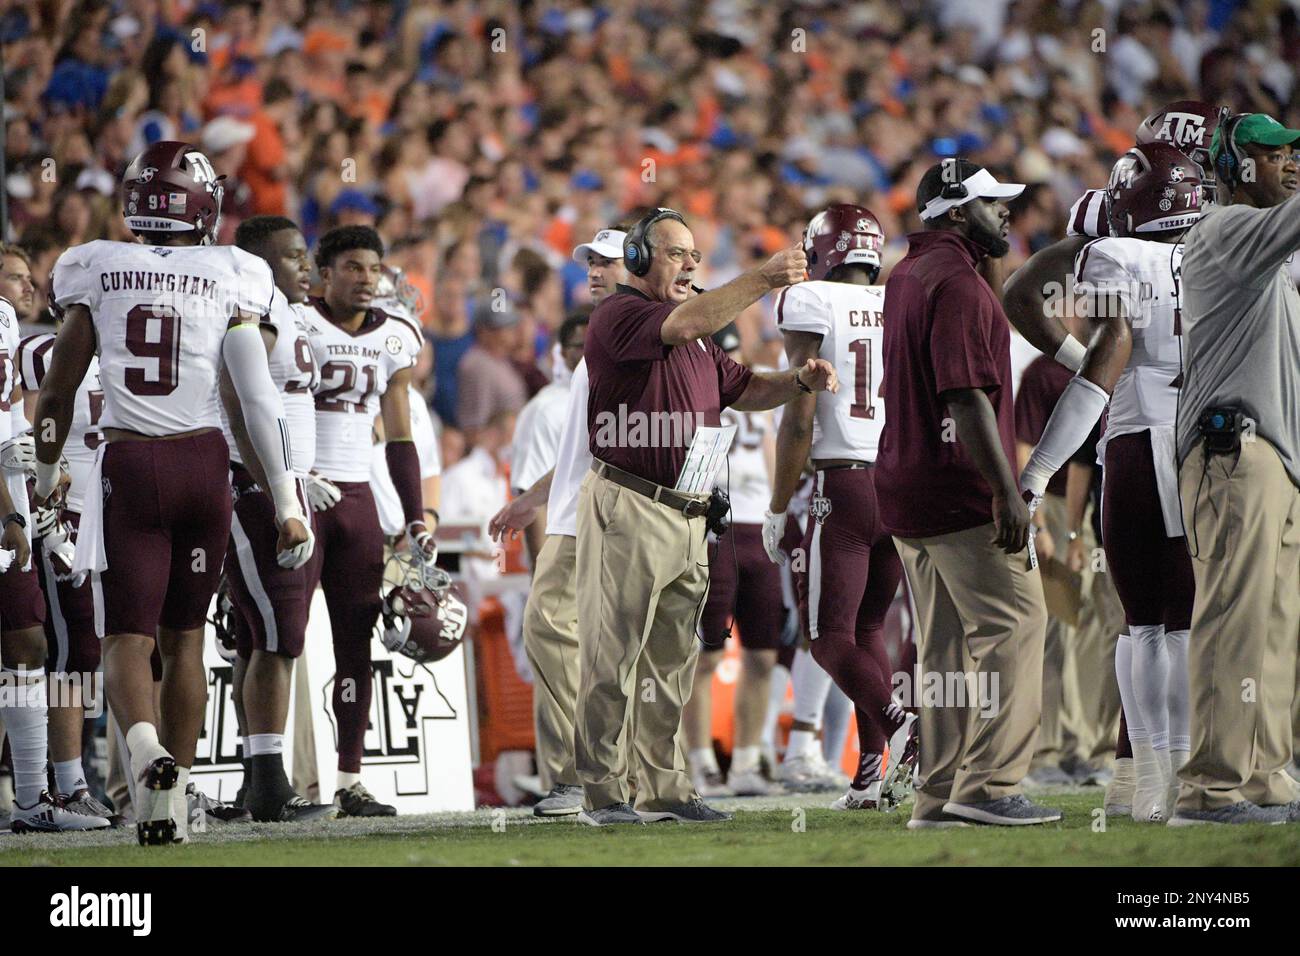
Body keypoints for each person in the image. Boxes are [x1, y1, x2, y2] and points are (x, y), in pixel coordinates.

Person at [34, 141, 314, 845]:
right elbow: (257, 398)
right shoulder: (234, 273)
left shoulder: (97, 267)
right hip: (204, 467)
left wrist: (41, 482)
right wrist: (285, 501)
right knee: (184, 640)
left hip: (129, 465)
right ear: (203, 204)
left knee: (126, 638)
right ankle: (175, 798)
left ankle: (144, 752)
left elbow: (58, 393)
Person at [574, 207, 836, 826]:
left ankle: (662, 789)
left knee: (672, 662)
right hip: (630, 501)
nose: (690, 264)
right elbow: (688, 321)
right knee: (612, 658)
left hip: (692, 514)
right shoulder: (621, 313)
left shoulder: (696, 341)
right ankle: (602, 794)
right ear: (637, 260)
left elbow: (746, 390)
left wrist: (797, 380)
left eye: (694, 254)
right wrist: (764, 279)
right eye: (675, 253)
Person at [1021, 143, 1204, 823]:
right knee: (1177, 623)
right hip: (1193, 443)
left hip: (1134, 440)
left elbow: (1104, 364)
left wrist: (1039, 469)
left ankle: (1153, 777)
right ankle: (1172, 775)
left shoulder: (1117, 255)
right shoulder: (1213, 252)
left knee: (1144, 625)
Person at [876, 159, 1059, 828]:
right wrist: (1006, 492)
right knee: (1017, 622)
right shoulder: (957, 283)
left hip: (906, 488)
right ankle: (988, 787)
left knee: (946, 649)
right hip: (957, 489)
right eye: (991, 205)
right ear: (956, 211)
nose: (1006, 214)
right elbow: (964, 397)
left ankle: (941, 793)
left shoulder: (908, 273)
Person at [763, 203, 915, 812]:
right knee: (868, 629)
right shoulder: (898, 299)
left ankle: (902, 725)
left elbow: (799, 413)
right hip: (896, 480)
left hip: (843, 486)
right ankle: (870, 772)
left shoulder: (809, 300)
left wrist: (778, 505)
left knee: (827, 638)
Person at [1171, 113, 1300, 825]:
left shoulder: (1266, 260)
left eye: (1291, 154)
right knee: (1232, 622)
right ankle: (1209, 788)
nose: (1287, 164)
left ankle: (1264, 777)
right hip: (1234, 457)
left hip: (1274, 458)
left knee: (1275, 626)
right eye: (1270, 154)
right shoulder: (1225, 230)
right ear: (1230, 163)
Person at [298, 225, 432, 818]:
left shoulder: (394, 337)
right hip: (298, 496)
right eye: (352, 266)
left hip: (356, 501)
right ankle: (267, 776)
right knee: (275, 643)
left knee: (357, 646)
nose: (365, 279)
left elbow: (400, 436)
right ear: (324, 273)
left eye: (372, 268)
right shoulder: (293, 323)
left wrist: (415, 518)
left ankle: (349, 779)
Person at [489, 228, 623, 818]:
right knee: (561, 634)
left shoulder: (639, 332)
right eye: (589, 262)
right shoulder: (601, 341)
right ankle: (586, 777)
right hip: (577, 513)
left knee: (611, 645)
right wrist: (534, 499)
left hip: (616, 513)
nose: (593, 271)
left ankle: (598, 776)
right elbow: (583, 448)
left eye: (607, 262)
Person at [221, 215, 335, 823]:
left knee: (260, 634)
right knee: (279, 633)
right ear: (260, 260)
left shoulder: (285, 311)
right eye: (292, 257)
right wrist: (276, 480)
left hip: (283, 482)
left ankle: (256, 780)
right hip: (258, 484)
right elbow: (238, 399)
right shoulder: (251, 310)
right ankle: (268, 786)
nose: (306, 268)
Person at [16, 283, 115, 826]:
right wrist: (45, 508)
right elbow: (23, 442)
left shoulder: (130, 351)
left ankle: (87, 778)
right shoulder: (36, 353)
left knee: (95, 651)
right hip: (62, 517)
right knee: (69, 650)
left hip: (115, 515)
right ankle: (68, 782)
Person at [684, 322, 782, 799]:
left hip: (757, 528)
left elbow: (771, 450)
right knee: (706, 654)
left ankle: (746, 760)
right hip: (715, 529)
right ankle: (699, 761)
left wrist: (777, 511)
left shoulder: (754, 379)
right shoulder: (685, 382)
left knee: (762, 654)